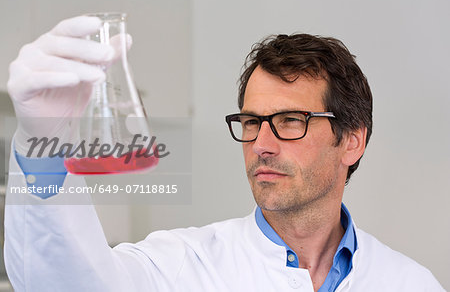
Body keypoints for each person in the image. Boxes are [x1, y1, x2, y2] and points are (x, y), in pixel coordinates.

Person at [4, 16, 445, 292]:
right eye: (252, 122)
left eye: (291, 120)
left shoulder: (411, 284)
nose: (262, 145)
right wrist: (45, 139)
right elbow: (64, 284)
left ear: (352, 140)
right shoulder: (180, 266)